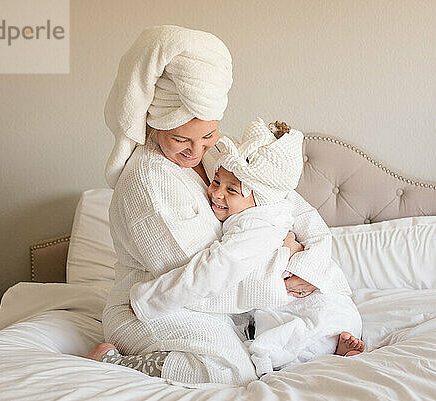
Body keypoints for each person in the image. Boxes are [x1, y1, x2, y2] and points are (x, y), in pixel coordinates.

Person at [86, 25, 313, 385]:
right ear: (154, 123)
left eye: (208, 135)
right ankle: (115, 362)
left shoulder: (215, 158)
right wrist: (281, 271)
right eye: (181, 139)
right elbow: (198, 275)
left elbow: (279, 198)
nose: (196, 151)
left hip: (206, 301)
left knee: (288, 344)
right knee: (229, 372)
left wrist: (306, 251)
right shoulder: (149, 181)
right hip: (152, 305)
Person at [204, 118, 364, 376]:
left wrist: (303, 270)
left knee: (337, 313)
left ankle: (337, 347)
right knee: (276, 329)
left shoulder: (283, 200)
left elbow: (320, 236)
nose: (217, 194)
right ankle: (290, 356)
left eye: (231, 189)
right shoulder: (228, 178)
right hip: (272, 297)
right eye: (215, 184)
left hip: (308, 284)